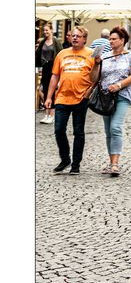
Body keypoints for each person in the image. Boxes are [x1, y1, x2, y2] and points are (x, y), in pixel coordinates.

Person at [88, 26, 131, 177]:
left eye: (113, 39)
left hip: (122, 95)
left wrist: (119, 85)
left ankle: (115, 164)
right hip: (105, 97)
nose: (110, 41)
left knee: (115, 127)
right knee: (108, 130)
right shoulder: (104, 57)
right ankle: (111, 163)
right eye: (109, 39)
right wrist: (96, 63)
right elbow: (94, 78)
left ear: (122, 40)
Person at [44, 26, 96, 174]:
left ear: (85, 39)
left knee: (78, 132)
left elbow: (96, 78)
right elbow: (55, 76)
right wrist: (49, 97)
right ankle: (65, 159)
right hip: (62, 97)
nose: (74, 38)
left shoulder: (91, 54)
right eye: (73, 36)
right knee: (59, 130)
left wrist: (89, 91)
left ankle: (76, 164)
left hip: (81, 97)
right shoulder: (62, 53)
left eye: (78, 36)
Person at [36, 22, 58, 124]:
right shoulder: (43, 42)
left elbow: (60, 54)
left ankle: (52, 115)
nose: (45, 32)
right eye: (44, 30)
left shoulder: (56, 41)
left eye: (47, 30)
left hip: (53, 68)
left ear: (51, 30)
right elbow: (38, 54)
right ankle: (46, 114)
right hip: (45, 67)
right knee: (44, 91)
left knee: (52, 91)